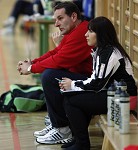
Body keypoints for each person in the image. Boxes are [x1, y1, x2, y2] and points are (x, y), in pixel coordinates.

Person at [17, 1, 93, 145]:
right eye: (55, 19)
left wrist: (31, 69)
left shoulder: (82, 32)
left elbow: (59, 60)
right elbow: (56, 52)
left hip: (90, 82)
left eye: (60, 18)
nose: (56, 24)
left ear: (74, 16)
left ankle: (62, 128)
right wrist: (33, 62)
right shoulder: (75, 31)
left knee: (49, 76)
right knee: (49, 74)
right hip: (82, 78)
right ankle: (57, 123)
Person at [59, 16, 137, 150]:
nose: (86, 34)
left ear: (100, 34)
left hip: (123, 99)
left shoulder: (109, 53)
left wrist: (73, 85)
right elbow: (94, 78)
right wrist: (73, 85)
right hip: (113, 94)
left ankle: (82, 144)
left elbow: (97, 84)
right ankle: (79, 140)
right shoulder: (102, 50)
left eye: (90, 31)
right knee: (72, 96)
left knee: (71, 100)